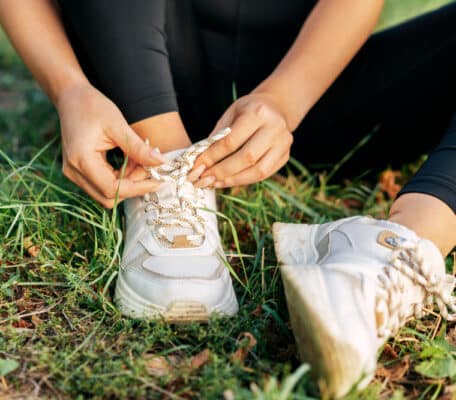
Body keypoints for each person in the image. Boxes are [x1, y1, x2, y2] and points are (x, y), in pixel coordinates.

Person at [1, 0, 455, 396]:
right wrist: (70, 89)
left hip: (302, 86)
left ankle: (388, 253)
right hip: (134, 66)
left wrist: (283, 99)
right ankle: (167, 173)